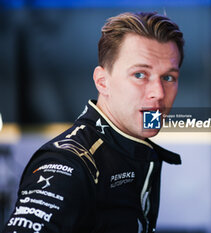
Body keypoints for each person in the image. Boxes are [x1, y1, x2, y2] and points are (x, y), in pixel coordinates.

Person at [3, 11, 184, 233]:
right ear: (102, 81)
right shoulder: (68, 163)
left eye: (168, 78)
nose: (158, 93)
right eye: (140, 75)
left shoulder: (130, 146)